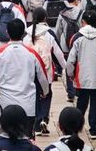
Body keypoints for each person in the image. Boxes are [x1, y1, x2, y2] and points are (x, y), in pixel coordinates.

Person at [0, 19, 50, 138]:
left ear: (7, 32)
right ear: (23, 33)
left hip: (5, 105)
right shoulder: (32, 53)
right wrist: (45, 92)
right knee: (27, 139)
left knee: (6, 139)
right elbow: (43, 77)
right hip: (28, 106)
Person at [66, 10, 96, 140]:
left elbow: (71, 60)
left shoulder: (77, 38)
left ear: (83, 22)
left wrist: (70, 73)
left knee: (81, 102)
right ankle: (94, 130)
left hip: (82, 76)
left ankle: (76, 128)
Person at [24, 8, 67, 137]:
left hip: (30, 72)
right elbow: (58, 53)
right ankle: (44, 118)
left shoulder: (27, 34)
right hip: (45, 71)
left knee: (34, 96)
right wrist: (65, 67)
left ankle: (36, 125)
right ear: (45, 18)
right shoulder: (49, 34)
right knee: (46, 94)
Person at [55, 0, 83, 103]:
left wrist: (58, 42)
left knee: (68, 67)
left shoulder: (62, 13)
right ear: (76, 0)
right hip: (78, 44)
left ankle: (70, 93)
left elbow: (58, 30)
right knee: (78, 66)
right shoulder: (81, 12)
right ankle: (78, 90)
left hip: (65, 45)